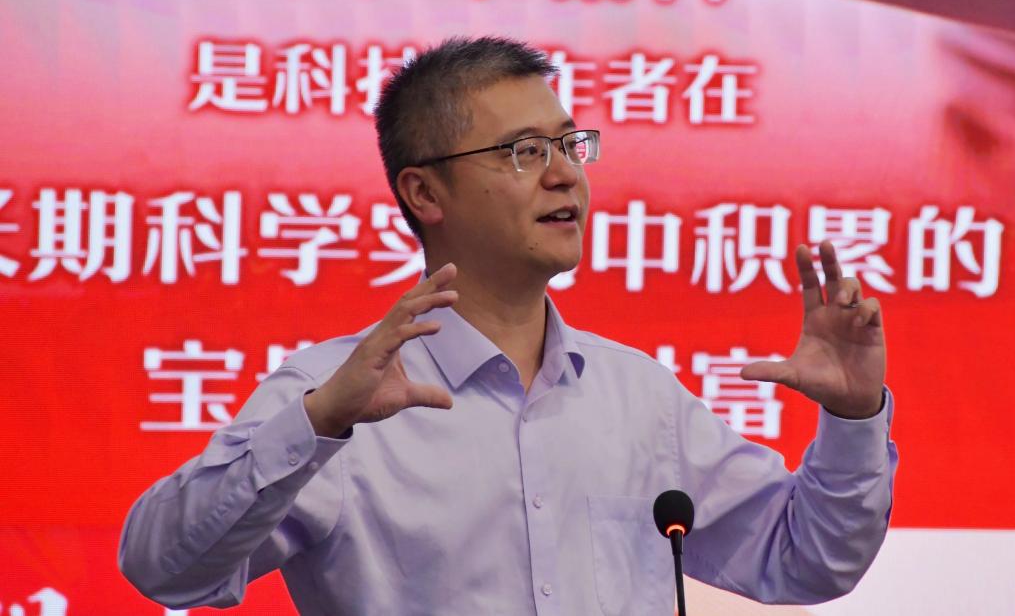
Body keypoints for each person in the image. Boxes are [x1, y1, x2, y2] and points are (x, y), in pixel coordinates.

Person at [118, 36, 898, 615]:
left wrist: (853, 416)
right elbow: (165, 570)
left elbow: (806, 560)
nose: (565, 175)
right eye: (524, 151)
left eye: (568, 144)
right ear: (425, 194)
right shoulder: (337, 396)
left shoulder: (636, 396)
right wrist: (318, 424)